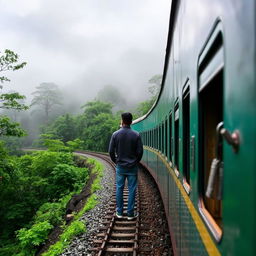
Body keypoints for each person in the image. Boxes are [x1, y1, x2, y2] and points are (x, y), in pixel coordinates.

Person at [108, 112, 143, 220]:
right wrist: (136, 161)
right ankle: (130, 213)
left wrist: (116, 161)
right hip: (132, 167)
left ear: (122, 121)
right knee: (132, 189)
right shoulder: (136, 135)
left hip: (121, 166)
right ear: (131, 122)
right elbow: (140, 152)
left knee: (119, 188)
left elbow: (110, 151)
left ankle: (119, 212)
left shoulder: (115, 134)